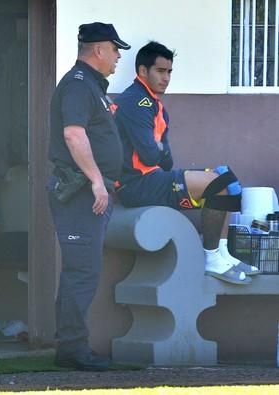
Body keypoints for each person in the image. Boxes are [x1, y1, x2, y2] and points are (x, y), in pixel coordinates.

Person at [114, 41, 259, 285]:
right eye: (160, 71)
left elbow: (166, 159)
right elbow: (151, 156)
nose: (166, 78)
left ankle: (221, 253)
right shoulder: (135, 103)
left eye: (169, 72)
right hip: (136, 185)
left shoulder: (155, 106)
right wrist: (157, 150)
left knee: (227, 178)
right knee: (219, 183)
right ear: (142, 71)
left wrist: (157, 149)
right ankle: (210, 257)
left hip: (154, 178)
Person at [48, 22, 130, 371]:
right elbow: (72, 135)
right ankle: (73, 349)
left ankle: (72, 347)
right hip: (81, 193)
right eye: (115, 50)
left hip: (88, 193)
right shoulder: (79, 85)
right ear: (98, 50)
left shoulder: (91, 85)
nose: (117, 57)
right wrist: (97, 180)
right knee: (82, 271)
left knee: (82, 271)